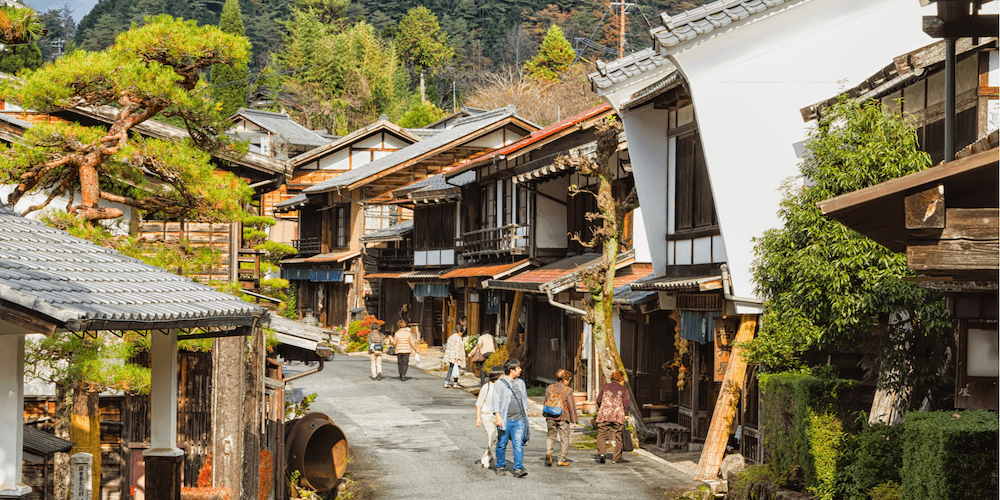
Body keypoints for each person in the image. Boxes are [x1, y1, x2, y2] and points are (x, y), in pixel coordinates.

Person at [491, 358, 529, 478]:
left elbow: (524, 400)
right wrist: (498, 416)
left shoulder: (521, 383)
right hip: (505, 419)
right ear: (512, 370)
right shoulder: (499, 383)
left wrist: (526, 417)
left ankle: (518, 468)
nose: (520, 370)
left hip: (519, 420)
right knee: (502, 443)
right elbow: (495, 401)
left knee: (518, 444)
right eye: (518, 368)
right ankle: (500, 466)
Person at [544, 369, 578, 467]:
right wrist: (574, 420)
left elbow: (546, 401)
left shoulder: (550, 388)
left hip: (550, 416)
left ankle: (549, 453)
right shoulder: (567, 390)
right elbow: (571, 406)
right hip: (563, 417)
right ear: (565, 380)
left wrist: (545, 415)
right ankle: (561, 460)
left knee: (550, 436)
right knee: (564, 439)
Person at [595, 370, 630, 464]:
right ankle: (616, 458)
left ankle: (602, 454)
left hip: (604, 414)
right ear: (621, 380)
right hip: (618, 415)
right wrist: (626, 414)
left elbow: (598, 400)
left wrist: (602, 408)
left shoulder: (605, 386)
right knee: (619, 436)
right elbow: (626, 403)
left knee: (602, 434)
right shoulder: (623, 389)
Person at [475, 366, 504, 469]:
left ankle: (485, 459)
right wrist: (478, 418)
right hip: (487, 416)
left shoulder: (502, 387)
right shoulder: (486, 387)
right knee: (493, 438)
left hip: (498, 417)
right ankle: (498, 462)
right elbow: (478, 404)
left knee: (497, 439)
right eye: (502, 375)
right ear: (498, 376)